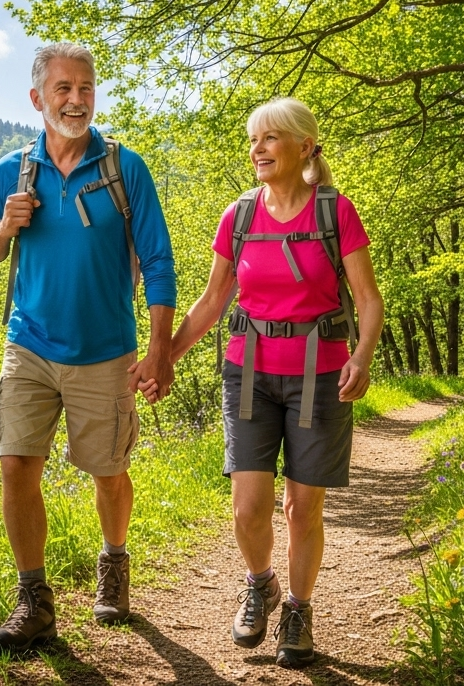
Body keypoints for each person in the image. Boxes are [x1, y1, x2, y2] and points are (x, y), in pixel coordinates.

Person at [146, 97, 383, 668]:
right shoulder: (240, 216)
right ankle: (261, 583)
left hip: (320, 372)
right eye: (254, 140)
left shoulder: (335, 212)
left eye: (271, 139)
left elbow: (369, 302)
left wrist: (362, 355)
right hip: (248, 370)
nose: (258, 149)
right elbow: (212, 300)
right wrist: (167, 356)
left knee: (303, 506)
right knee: (248, 508)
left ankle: (299, 609)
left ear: (304, 146)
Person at [0, 43, 177, 653]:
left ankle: (113, 563)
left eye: (84, 88)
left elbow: (159, 262)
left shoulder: (123, 167)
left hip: (106, 350)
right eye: (62, 89)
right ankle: (33, 601)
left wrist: (159, 348)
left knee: (109, 472)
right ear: (37, 99)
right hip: (27, 343)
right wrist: (4, 227)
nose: (76, 100)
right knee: (16, 464)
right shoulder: (12, 170)